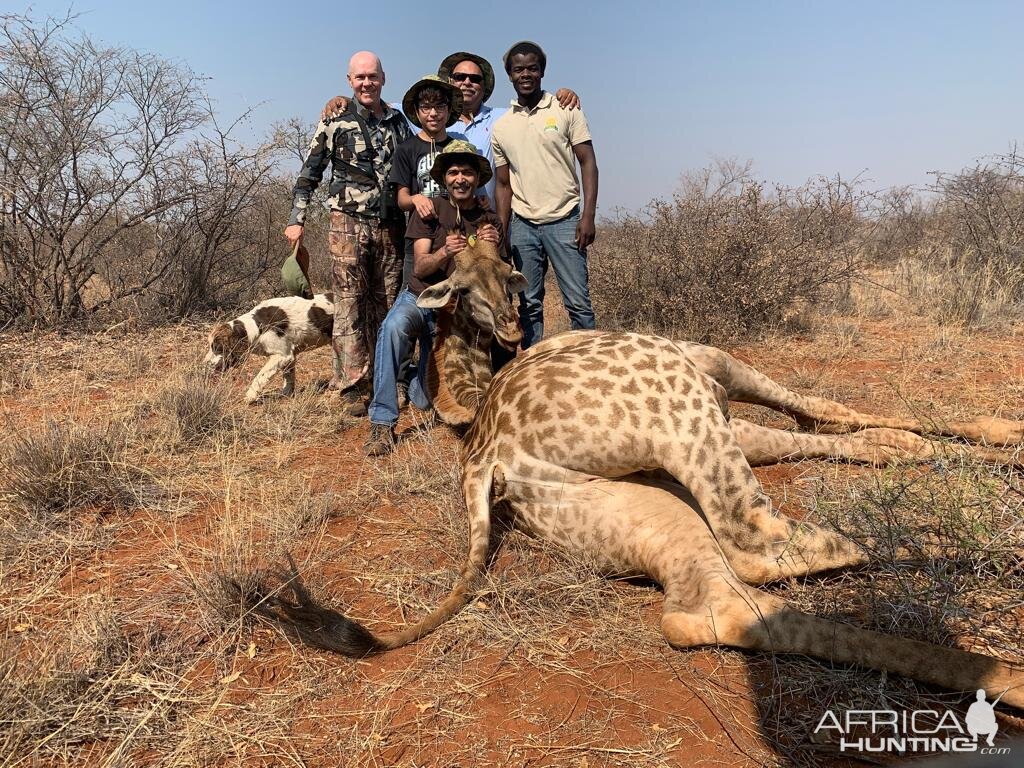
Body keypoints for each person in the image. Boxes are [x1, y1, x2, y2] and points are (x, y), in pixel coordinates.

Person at [283, 51, 412, 416]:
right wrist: (297, 219)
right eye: (360, 78)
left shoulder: (398, 122)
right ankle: (352, 384)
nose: (367, 83)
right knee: (349, 303)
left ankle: (389, 379)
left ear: (383, 78)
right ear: (349, 81)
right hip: (346, 222)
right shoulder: (334, 118)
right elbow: (309, 175)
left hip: (390, 224)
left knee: (388, 304)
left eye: (373, 76)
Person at [364, 141, 504, 456]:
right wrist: (444, 252)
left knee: (426, 399)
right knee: (394, 327)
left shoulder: (489, 219)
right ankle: (383, 422)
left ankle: (413, 374)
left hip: (456, 314)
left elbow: (496, 277)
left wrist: (493, 246)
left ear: (477, 178)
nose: (460, 179)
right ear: (444, 178)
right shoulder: (428, 210)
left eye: (467, 172)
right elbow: (422, 264)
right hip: (421, 297)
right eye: (453, 172)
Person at [492, 41, 599, 349]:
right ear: (509, 75)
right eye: (518, 69)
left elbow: (588, 162)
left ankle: (588, 367)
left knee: (578, 304)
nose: (526, 74)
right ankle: (533, 368)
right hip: (524, 225)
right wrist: (503, 231)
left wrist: (588, 215)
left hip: (565, 220)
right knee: (529, 305)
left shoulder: (566, 110)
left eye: (532, 68)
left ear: (542, 71)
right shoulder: (502, 127)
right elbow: (503, 184)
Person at [435, 51, 579, 204]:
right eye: (460, 77)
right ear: (449, 82)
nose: (467, 82)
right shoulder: (435, 123)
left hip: (490, 221)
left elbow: (537, 111)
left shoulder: (504, 118)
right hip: (446, 220)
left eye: (475, 79)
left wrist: (565, 95)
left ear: (484, 86)